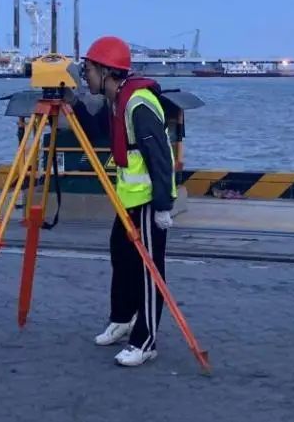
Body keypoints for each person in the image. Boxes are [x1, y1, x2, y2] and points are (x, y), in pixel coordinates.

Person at [65, 35, 177, 367]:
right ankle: (123, 319)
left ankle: (145, 341)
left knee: (148, 271)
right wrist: (72, 102)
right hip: (128, 200)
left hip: (148, 201)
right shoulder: (116, 101)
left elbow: (160, 157)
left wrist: (163, 206)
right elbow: (98, 132)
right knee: (121, 255)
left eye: (88, 70)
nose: (85, 76)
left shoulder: (138, 104)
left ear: (106, 71)